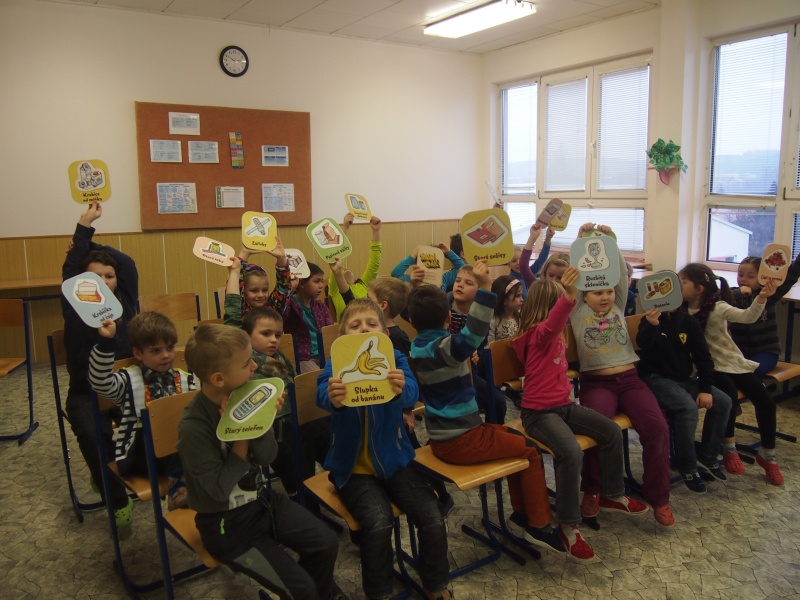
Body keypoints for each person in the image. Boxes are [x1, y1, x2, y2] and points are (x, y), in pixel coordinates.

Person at [177, 324, 344, 600]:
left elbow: (267, 457)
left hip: (262, 502)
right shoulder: (194, 426)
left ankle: (317, 592)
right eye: (246, 363)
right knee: (302, 589)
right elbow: (218, 491)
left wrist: (263, 421)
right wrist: (242, 434)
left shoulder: (245, 393)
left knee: (325, 543)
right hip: (224, 524)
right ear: (218, 379)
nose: (255, 366)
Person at [408, 261, 564, 556]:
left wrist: (417, 288)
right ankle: (538, 523)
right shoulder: (445, 349)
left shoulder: (417, 347)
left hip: (448, 437)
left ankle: (523, 513)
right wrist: (485, 288)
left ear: (413, 321)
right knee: (531, 452)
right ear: (447, 318)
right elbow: (474, 332)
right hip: (462, 440)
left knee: (517, 442)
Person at [316, 299, 452, 600]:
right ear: (342, 337)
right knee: (378, 523)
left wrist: (402, 390)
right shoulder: (337, 363)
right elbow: (322, 392)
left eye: (371, 324)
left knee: (431, 515)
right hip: (353, 469)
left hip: (395, 462)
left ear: (385, 334)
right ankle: (378, 592)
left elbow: (413, 394)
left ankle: (435, 584)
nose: (364, 329)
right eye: (355, 325)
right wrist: (332, 398)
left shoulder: (396, 360)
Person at [512, 266, 648, 560]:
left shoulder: (555, 334)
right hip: (538, 414)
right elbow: (550, 326)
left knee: (610, 431)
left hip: (563, 407)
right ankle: (568, 524)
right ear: (549, 309)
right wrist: (570, 296)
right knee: (571, 452)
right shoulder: (536, 335)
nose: (569, 311)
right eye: (562, 306)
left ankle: (611, 493)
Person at [568, 225, 672, 527]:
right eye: (597, 292)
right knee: (597, 431)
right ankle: (593, 491)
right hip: (597, 383)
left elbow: (621, 274)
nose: (604, 297)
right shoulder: (576, 310)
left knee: (657, 428)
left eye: (608, 291)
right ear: (584, 294)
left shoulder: (617, 304)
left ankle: (659, 498)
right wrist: (581, 241)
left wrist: (610, 242)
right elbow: (576, 275)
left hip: (630, 381)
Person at [62, 201, 137, 528]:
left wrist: (92, 243)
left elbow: (127, 263)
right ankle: (115, 497)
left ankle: (116, 470)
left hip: (124, 387)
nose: (104, 282)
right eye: (94, 277)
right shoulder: (75, 305)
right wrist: (83, 226)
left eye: (109, 276)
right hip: (86, 391)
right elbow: (70, 272)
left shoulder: (126, 302)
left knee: (153, 421)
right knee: (93, 434)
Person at [679, 263, 783, 485]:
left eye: (683, 282)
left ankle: (768, 454)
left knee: (765, 401)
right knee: (728, 396)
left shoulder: (718, 307)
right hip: (708, 368)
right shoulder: (679, 311)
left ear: (698, 288)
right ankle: (729, 447)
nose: (679, 286)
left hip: (731, 362)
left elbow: (748, 317)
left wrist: (761, 298)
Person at [89, 311, 195, 510]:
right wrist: (106, 343)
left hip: (178, 450)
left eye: (170, 348)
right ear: (138, 354)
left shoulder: (184, 379)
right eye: (155, 351)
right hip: (140, 456)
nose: (165, 355)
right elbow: (100, 382)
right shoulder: (129, 380)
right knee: (163, 433)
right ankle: (178, 489)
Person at [367, 276, 454, 514]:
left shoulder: (395, 337)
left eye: (369, 298)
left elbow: (407, 376)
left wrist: (407, 410)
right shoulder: (383, 335)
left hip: (399, 407)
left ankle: (442, 495)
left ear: (382, 305)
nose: (365, 300)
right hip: (389, 404)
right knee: (412, 453)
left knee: (414, 454)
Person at [636, 304, 732, 494]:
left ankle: (707, 455)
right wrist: (652, 324)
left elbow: (703, 357)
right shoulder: (647, 321)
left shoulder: (688, 322)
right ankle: (687, 466)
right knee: (687, 408)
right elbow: (643, 344)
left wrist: (705, 388)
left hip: (683, 379)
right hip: (655, 378)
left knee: (723, 401)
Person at [729, 254, 800, 377]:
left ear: (761, 277)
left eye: (751, 276)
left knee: (753, 371)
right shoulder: (732, 294)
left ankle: (756, 386)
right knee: (731, 370)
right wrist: (737, 293)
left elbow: (790, 276)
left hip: (766, 352)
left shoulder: (769, 294)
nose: (743, 279)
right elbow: (714, 297)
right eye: (740, 275)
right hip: (739, 350)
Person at [327, 214, 382, 321]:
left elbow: (374, 264)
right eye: (342, 268)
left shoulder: (363, 285)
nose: (345, 269)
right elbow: (338, 257)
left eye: (344, 268)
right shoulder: (335, 290)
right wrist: (345, 228)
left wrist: (376, 231)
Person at [223, 241, 290, 326]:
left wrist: (281, 259)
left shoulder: (272, 307)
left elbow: (283, 288)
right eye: (254, 291)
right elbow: (235, 290)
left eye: (265, 290)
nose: (261, 295)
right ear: (243, 291)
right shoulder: (240, 310)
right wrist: (244, 253)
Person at [282, 262, 333, 372]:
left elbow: (330, 331)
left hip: (324, 355)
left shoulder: (321, 307)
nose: (321, 285)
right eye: (316, 281)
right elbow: (281, 314)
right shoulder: (290, 304)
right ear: (301, 283)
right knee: (317, 377)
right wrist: (290, 290)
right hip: (303, 358)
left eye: (321, 281)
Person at [391, 237, 466, 293]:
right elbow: (395, 274)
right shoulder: (414, 279)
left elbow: (462, 268)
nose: (430, 266)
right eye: (426, 263)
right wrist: (412, 256)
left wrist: (448, 252)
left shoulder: (443, 279)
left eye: (434, 262)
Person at [510, 224, 555, 297]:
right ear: (508, 264)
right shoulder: (510, 281)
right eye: (514, 261)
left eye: (521, 259)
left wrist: (547, 240)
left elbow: (541, 260)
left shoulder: (530, 271)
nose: (518, 263)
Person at [488, 275, 523, 343]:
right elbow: (490, 345)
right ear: (504, 300)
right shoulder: (493, 320)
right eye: (517, 296)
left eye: (521, 295)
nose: (522, 299)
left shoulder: (520, 316)